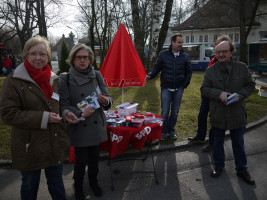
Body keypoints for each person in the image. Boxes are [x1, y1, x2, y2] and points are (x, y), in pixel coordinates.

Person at [0, 36, 72, 200]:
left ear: (48, 56)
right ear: (26, 55)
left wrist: (66, 113)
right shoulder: (14, 81)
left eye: (42, 54)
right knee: (29, 185)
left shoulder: (53, 79)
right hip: (29, 144)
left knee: (56, 183)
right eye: (33, 53)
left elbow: (57, 104)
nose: (38, 58)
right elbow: (8, 113)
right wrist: (44, 117)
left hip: (54, 140)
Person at [59, 43, 113, 199]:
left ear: (90, 59)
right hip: (80, 125)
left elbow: (108, 96)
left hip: (96, 125)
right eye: (79, 57)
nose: (82, 60)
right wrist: (80, 113)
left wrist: (105, 101)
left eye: (85, 57)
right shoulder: (66, 78)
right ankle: (78, 186)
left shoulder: (97, 75)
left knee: (95, 161)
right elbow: (63, 104)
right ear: (73, 59)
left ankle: (94, 183)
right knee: (81, 162)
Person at [201, 40, 255, 185]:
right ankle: (218, 166)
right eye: (218, 52)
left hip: (237, 113)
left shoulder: (242, 68)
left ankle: (242, 169)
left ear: (232, 52)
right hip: (218, 113)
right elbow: (204, 89)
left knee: (238, 142)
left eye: (224, 51)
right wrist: (219, 94)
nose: (220, 54)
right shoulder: (210, 70)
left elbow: (251, 86)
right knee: (217, 142)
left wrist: (240, 95)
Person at [188, 35, 232, 153]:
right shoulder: (214, 59)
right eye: (215, 44)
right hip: (207, 95)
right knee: (202, 115)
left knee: (214, 121)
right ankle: (200, 137)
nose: (214, 46)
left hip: (216, 97)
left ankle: (212, 144)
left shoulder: (224, 61)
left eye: (217, 44)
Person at [146, 33, 192, 141]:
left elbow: (189, 72)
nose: (181, 44)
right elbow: (156, 68)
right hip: (166, 88)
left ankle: (171, 131)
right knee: (165, 112)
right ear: (173, 42)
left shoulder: (185, 56)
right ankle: (163, 131)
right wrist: (150, 75)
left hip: (179, 88)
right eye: (179, 42)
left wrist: (185, 84)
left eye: (182, 42)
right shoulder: (163, 54)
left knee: (175, 112)